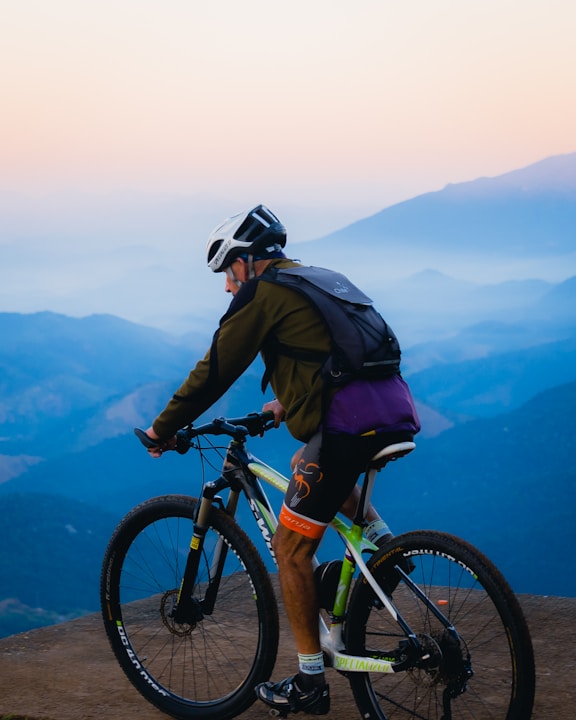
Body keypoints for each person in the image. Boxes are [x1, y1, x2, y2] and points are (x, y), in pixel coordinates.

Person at [142, 204, 420, 716]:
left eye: (229, 271)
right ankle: (384, 551)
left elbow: (215, 369)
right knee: (306, 466)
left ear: (246, 262)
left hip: (345, 427)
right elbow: (333, 356)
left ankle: (310, 682)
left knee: (292, 552)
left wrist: (164, 427)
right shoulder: (320, 279)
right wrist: (285, 404)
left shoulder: (263, 292)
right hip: (391, 410)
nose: (228, 286)